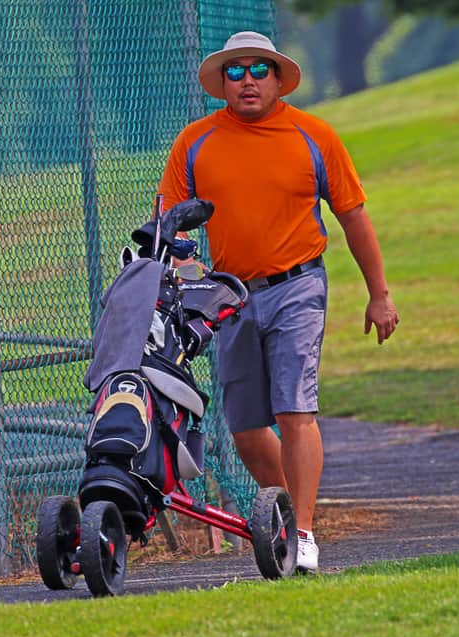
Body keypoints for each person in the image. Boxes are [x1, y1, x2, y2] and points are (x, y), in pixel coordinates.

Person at [157, 31, 399, 574]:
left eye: (258, 70)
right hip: (230, 294)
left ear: (277, 77)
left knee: (294, 408)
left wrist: (378, 294)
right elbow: (170, 228)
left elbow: (353, 215)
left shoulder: (313, 136)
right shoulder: (194, 143)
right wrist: (185, 280)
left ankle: (305, 536)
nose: (247, 80)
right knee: (245, 428)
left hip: (299, 286)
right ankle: (284, 516)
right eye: (235, 71)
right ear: (222, 83)